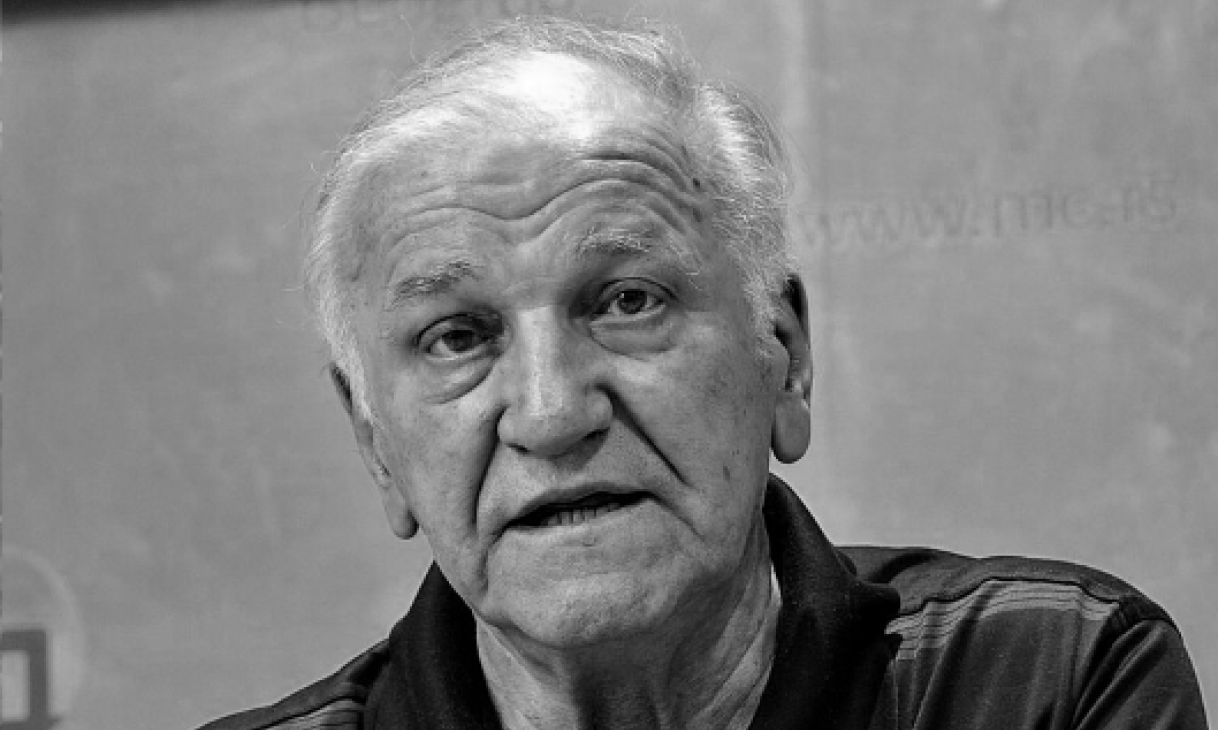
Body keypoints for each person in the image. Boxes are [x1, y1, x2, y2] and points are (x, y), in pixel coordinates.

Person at [200, 15, 1207, 730]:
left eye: (627, 300)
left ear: (784, 358)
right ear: (376, 445)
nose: (550, 414)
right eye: (457, 337)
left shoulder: (1050, 677)